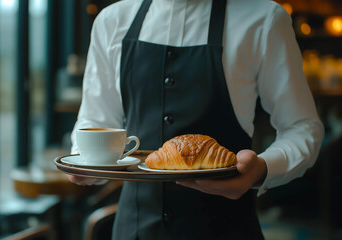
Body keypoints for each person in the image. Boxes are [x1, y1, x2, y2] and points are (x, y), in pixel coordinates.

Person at [68, 0, 324, 239]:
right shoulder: (112, 21)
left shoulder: (263, 18)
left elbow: (303, 128)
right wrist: (85, 162)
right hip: (133, 229)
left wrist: (261, 169)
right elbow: (95, 120)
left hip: (227, 230)